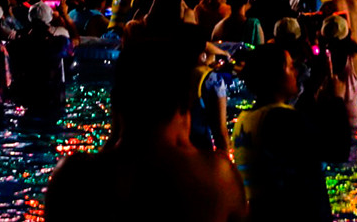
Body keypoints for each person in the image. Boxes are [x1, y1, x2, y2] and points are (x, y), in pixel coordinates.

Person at [44, 24, 247, 221]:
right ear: (185, 107)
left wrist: (112, 138)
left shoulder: (73, 180)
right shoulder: (218, 179)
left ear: (116, 104)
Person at [231, 45, 330, 222]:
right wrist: (334, 99)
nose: (296, 73)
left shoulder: (244, 120)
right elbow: (336, 148)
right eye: (290, 67)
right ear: (275, 75)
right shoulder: (281, 118)